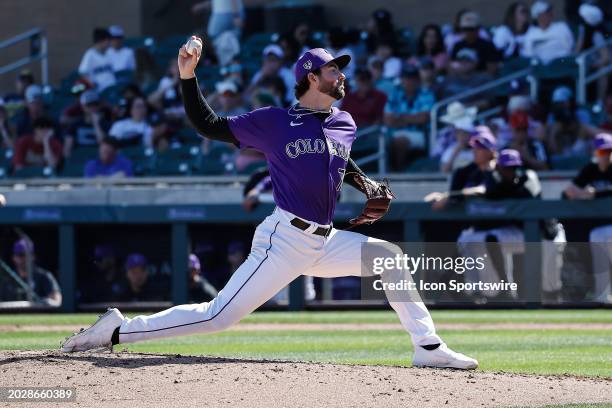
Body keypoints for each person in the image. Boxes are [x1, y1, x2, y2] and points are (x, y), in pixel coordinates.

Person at [61, 40, 478, 371]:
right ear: (311, 77)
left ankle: (428, 347)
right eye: (334, 69)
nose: (342, 74)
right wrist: (188, 78)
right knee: (217, 317)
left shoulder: (344, 122)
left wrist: (365, 183)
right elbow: (210, 125)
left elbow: (340, 158)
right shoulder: (274, 122)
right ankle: (118, 330)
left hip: (326, 240)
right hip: (284, 239)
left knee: (391, 259)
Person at [456, 149, 565, 301]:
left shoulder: (529, 177)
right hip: (520, 232)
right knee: (490, 238)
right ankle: (504, 290)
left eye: (514, 167)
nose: (510, 171)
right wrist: (490, 175)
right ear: (499, 168)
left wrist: (500, 186)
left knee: (550, 282)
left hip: (547, 232)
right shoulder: (496, 181)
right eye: (506, 168)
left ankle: (553, 295)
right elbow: (487, 191)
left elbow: (527, 194)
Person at [563, 133, 612, 303]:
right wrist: (585, 194)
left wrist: (596, 193)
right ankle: (602, 294)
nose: (605, 156)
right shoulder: (590, 169)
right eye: (601, 152)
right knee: (596, 239)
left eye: (608, 151)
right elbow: (569, 191)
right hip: (600, 227)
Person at [384, 65, 435, 170]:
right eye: (406, 78)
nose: (409, 81)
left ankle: (399, 173)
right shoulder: (394, 94)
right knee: (383, 140)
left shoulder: (427, 94)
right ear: (402, 80)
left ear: (418, 80)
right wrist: (412, 118)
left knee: (400, 141)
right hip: (393, 132)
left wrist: (399, 118)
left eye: (413, 78)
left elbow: (424, 118)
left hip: (421, 133)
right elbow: (388, 120)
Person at [0, 239, 62, 306]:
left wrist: (41, 303)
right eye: (20, 255)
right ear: (14, 257)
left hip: (38, 314)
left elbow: (56, 301)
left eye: (27, 255)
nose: (24, 259)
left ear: (33, 257)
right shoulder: (7, 279)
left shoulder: (44, 276)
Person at [63, 90, 111, 158]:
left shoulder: (106, 124)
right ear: (83, 107)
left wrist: (96, 124)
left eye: (95, 104)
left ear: (99, 105)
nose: (93, 108)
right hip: (79, 159)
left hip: (99, 159)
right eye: (89, 105)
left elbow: (104, 144)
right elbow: (67, 148)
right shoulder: (75, 125)